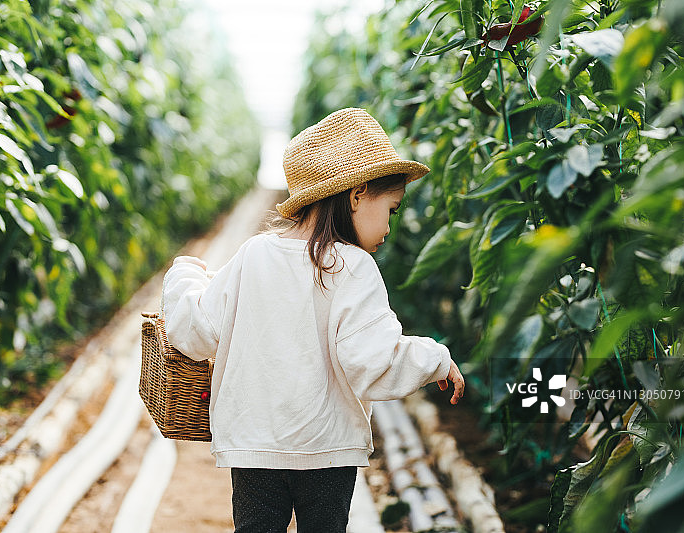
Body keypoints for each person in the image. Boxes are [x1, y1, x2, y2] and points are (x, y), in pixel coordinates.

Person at [162, 107, 465, 533]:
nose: (390, 227)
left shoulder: (254, 255)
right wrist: (434, 358)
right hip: (328, 452)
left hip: (254, 450)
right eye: (391, 210)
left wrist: (184, 276)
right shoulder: (354, 267)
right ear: (357, 194)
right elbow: (372, 361)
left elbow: (197, 331)